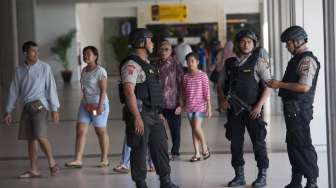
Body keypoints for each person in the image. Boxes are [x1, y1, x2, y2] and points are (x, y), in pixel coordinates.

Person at [119, 28, 179, 188]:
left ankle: (166, 181)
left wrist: (159, 113)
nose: (153, 44)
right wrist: (137, 116)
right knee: (139, 150)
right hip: (140, 113)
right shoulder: (131, 64)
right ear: (141, 42)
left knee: (161, 147)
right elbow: (129, 92)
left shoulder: (148, 64)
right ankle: (141, 183)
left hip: (154, 114)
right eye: (150, 40)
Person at [267, 25, 320, 188]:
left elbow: (304, 87)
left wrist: (279, 85)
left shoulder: (307, 60)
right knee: (293, 143)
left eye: (288, 43)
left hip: (300, 109)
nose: (287, 46)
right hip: (292, 109)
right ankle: (296, 180)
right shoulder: (296, 59)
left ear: (297, 41)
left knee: (302, 143)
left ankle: (312, 181)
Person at [217, 30, 271, 187]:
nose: (246, 44)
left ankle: (262, 175)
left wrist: (259, 106)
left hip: (253, 110)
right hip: (234, 111)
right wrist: (222, 100)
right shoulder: (229, 63)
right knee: (235, 144)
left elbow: (269, 85)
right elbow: (219, 85)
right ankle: (239, 176)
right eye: (243, 41)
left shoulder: (259, 62)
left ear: (254, 44)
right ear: (238, 44)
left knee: (258, 142)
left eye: (249, 41)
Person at [3, 41, 60, 178]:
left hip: (40, 106)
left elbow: (51, 88)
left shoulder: (44, 67)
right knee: (31, 139)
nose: (36, 54)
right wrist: (8, 111)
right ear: (25, 53)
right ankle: (34, 169)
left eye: (37, 51)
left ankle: (52, 163)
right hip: (27, 107)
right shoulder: (19, 70)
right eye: (33, 51)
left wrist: (54, 108)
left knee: (40, 136)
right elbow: (14, 91)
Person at [65, 46, 110, 168]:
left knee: (100, 131)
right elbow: (84, 88)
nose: (85, 56)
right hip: (85, 105)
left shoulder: (101, 71)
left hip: (98, 106)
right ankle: (78, 159)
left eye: (88, 54)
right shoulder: (84, 70)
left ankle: (104, 158)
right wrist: (85, 103)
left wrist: (100, 107)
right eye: (84, 54)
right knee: (80, 131)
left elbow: (103, 90)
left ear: (95, 56)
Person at [176, 52, 211, 162]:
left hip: (200, 106)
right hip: (189, 106)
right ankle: (197, 153)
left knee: (196, 127)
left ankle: (204, 147)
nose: (190, 63)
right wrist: (181, 105)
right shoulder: (185, 77)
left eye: (192, 61)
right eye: (188, 61)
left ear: (197, 62)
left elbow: (207, 92)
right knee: (194, 130)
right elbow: (182, 92)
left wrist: (209, 107)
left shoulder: (203, 75)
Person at [157, 40, 183, 160]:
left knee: (175, 129)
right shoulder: (155, 65)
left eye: (166, 49)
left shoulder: (176, 64)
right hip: (159, 103)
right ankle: (162, 151)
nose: (163, 52)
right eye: (161, 49)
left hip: (174, 103)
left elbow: (182, 83)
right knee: (159, 129)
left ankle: (175, 151)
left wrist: (181, 103)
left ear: (171, 51)